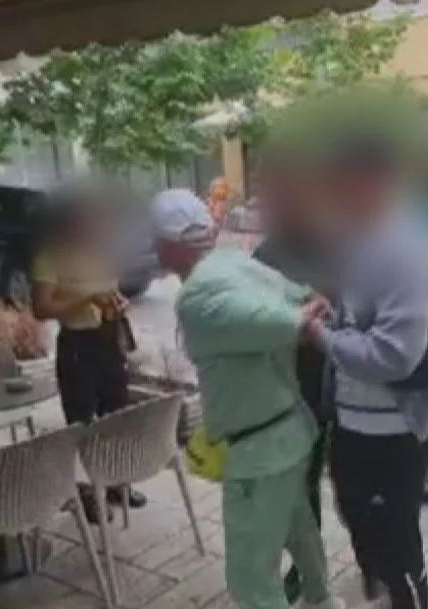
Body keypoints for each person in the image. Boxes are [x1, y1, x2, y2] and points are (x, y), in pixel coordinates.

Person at [150, 188, 342, 609]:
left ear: (168, 244)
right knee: (301, 535)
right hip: (290, 433)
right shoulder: (234, 261)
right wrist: (303, 314)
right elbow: (305, 300)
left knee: (251, 582)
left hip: (260, 453)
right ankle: (323, 601)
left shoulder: (196, 297)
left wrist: (299, 320)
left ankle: (321, 599)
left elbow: (286, 322)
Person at [306, 138, 428, 609]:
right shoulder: (357, 238)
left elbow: (394, 354)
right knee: (359, 519)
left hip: (394, 428)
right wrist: (328, 310)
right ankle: (385, 589)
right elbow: (356, 313)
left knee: (395, 543)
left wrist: (320, 338)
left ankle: (408, 597)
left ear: (373, 183)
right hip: (355, 420)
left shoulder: (402, 249)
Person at [251, 155, 337, 604]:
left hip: (312, 387)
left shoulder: (328, 248)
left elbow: (330, 316)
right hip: (271, 389)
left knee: (303, 486)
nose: (267, 202)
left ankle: (308, 570)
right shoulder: (265, 253)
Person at [31, 183, 146, 513]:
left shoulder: (103, 254)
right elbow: (41, 308)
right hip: (77, 344)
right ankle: (83, 492)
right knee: (81, 421)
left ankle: (117, 484)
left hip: (108, 339)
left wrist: (117, 304)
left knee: (117, 417)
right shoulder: (50, 258)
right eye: (90, 217)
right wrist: (85, 299)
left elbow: (111, 293)